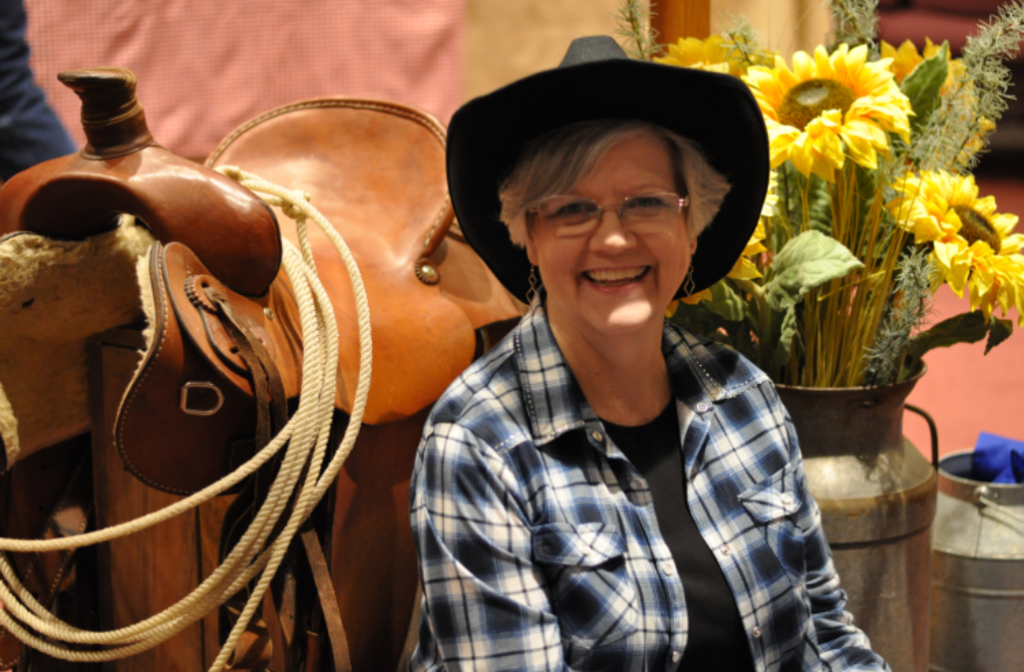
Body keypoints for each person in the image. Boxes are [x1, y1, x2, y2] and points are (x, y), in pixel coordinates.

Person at [408, 35, 890, 672]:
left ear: (691, 226)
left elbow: (825, 638)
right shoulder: (476, 446)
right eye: (573, 208)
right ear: (527, 234)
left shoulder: (745, 398)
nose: (613, 236)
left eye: (648, 202)